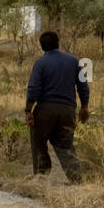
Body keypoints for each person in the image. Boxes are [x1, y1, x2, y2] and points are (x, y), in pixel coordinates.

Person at [25, 30, 90, 182]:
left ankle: (41, 177)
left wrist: (28, 110)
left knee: (39, 142)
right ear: (58, 43)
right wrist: (84, 106)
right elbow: (83, 86)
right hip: (67, 110)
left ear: (42, 47)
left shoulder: (40, 63)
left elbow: (33, 89)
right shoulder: (74, 61)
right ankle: (77, 180)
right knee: (65, 146)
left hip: (45, 110)